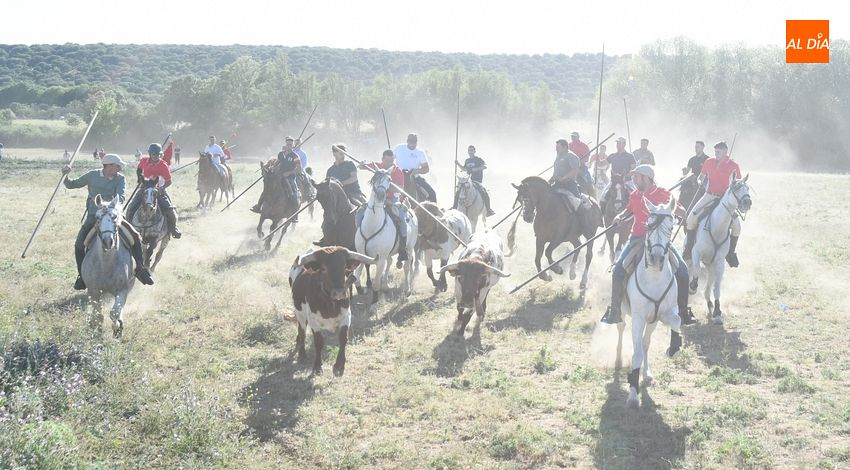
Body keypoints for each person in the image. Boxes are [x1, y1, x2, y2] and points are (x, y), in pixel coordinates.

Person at [600, 164, 696, 325]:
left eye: (636, 176)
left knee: (683, 272)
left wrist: (673, 209)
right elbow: (628, 211)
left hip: (659, 241)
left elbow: (682, 212)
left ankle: (683, 311)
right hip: (637, 238)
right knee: (617, 270)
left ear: (646, 178)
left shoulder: (662, 193)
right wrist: (619, 216)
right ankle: (615, 310)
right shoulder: (635, 194)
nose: (633, 179)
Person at [62, 154, 153, 290]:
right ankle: (82, 276)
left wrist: (112, 206)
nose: (120, 168)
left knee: (135, 236)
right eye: (118, 166)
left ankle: (140, 269)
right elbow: (71, 185)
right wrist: (65, 175)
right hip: (95, 216)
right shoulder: (92, 175)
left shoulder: (120, 178)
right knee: (79, 244)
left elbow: (121, 196)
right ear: (109, 166)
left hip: (114, 215)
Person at [683, 141, 743, 267]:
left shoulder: (733, 165)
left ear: (725, 151)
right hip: (709, 195)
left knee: (737, 225)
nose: (716, 154)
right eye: (715, 152)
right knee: (690, 219)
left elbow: (738, 183)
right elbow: (701, 176)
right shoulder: (709, 161)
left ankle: (730, 253)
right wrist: (701, 181)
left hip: (725, 199)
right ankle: (688, 249)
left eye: (718, 152)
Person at [357, 149, 410, 262]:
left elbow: (399, 188)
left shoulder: (398, 171)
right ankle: (358, 241)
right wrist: (362, 164)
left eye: (391, 161)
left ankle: (402, 249)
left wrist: (386, 185)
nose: (389, 163)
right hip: (376, 198)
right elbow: (362, 167)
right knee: (359, 213)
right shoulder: (378, 166)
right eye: (387, 161)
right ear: (382, 160)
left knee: (401, 218)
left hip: (392, 199)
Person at [126, 143, 182, 239]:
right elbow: (139, 169)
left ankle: (173, 229)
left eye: (158, 154)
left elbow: (169, 181)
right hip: (144, 188)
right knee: (131, 207)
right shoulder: (144, 160)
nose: (156, 156)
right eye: (154, 154)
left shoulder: (163, 165)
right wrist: (139, 179)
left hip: (158, 189)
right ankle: (127, 227)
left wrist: (161, 188)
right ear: (150, 153)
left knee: (170, 211)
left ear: (160, 154)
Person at [251, 137, 301, 213]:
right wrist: (272, 167)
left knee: (293, 194)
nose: (289, 146)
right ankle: (258, 206)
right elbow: (277, 162)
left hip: (289, 178)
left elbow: (298, 169)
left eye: (290, 145)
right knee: (267, 188)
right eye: (288, 144)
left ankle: (294, 212)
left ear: (293, 145)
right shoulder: (281, 154)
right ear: (286, 145)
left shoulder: (295, 156)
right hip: (278, 176)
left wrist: (289, 173)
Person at [453, 144, 495, 216]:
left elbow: (485, 167)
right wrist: (458, 164)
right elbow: (464, 169)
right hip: (468, 180)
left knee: (484, 192)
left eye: (472, 150)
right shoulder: (467, 160)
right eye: (469, 150)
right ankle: (454, 207)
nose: (470, 152)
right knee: (459, 190)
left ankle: (488, 210)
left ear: (474, 151)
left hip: (477, 181)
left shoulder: (478, 159)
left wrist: (475, 169)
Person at [550, 139, 590, 213]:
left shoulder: (571, 156)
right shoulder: (558, 157)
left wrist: (563, 178)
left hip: (569, 184)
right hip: (557, 184)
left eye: (558, 147)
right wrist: (551, 179)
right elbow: (556, 171)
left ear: (565, 147)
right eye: (556, 147)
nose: (556, 149)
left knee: (578, 205)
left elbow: (574, 170)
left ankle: (583, 223)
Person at [394, 133, 436, 202]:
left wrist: (416, 171)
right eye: (411, 142)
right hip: (399, 176)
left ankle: (434, 211)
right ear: (407, 141)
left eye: (414, 142)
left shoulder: (420, 152)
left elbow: (426, 168)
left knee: (432, 193)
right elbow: (389, 159)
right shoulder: (398, 148)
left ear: (416, 142)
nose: (412, 144)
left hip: (414, 177)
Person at [599, 137, 637, 206]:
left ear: (624, 144)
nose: (618, 144)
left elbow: (634, 170)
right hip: (614, 182)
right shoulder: (612, 156)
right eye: (617, 143)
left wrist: (626, 175)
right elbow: (602, 163)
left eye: (620, 143)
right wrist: (597, 157)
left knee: (636, 197)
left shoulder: (630, 156)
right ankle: (602, 215)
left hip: (627, 181)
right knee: (602, 198)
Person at [568, 131, 594, 196]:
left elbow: (586, 159)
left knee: (588, 182)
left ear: (578, 137)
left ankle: (592, 196)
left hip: (581, 168)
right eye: (572, 136)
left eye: (574, 136)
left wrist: (578, 161)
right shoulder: (568, 145)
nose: (573, 138)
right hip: (569, 168)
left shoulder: (584, 146)